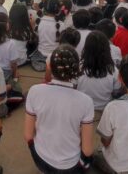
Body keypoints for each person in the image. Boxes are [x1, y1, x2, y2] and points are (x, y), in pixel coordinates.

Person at [25, 45, 94, 173]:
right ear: (77, 69)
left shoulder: (35, 91)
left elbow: (28, 135)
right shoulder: (86, 101)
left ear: (49, 67)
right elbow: (87, 150)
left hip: (41, 160)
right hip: (71, 167)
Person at [77, 31, 122, 115]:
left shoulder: (78, 66)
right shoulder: (113, 70)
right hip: (104, 108)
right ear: (107, 48)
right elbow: (116, 90)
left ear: (86, 47)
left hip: (82, 107)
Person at [31, 0, 65, 72]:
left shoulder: (39, 21)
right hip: (55, 54)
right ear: (58, 10)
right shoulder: (61, 24)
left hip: (40, 53)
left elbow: (36, 35)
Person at [0, 11, 20, 81]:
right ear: (6, 25)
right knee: (15, 83)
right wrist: (15, 74)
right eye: (8, 22)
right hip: (5, 72)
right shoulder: (11, 43)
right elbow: (14, 64)